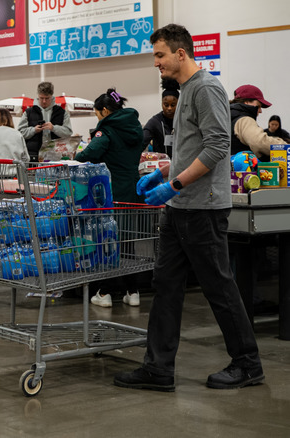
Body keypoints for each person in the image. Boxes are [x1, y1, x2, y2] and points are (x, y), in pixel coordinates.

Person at [114, 23, 263, 392]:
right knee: (165, 284)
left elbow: (216, 148)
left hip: (204, 208)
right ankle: (158, 368)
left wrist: (174, 185)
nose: (156, 63)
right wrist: (163, 172)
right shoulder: (184, 92)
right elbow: (189, 152)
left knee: (218, 287)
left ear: (181, 53)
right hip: (181, 207)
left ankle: (248, 363)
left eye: (160, 55)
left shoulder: (207, 88)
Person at [75, 88, 144, 308]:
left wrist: (75, 156)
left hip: (110, 193)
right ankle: (133, 292)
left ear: (105, 111)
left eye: (97, 114)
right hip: (132, 191)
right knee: (127, 242)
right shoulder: (135, 128)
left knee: (109, 242)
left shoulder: (106, 131)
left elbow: (88, 154)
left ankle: (104, 292)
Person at [17, 82, 73, 160]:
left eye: (47, 98)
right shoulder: (28, 112)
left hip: (56, 156)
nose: (44, 101)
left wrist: (54, 128)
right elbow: (20, 133)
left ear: (52, 96)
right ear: (38, 96)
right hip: (33, 157)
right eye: (41, 98)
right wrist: (33, 130)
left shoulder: (62, 113)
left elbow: (68, 133)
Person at [230, 84, 285, 161]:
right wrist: (284, 146)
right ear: (246, 102)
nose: (260, 111)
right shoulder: (244, 119)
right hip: (245, 171)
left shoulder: (229, 116)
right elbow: (259, 143)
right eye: (258, 106)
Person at [142, 79, 179, 157]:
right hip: (162, 164)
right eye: (166, 105)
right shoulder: (155, 122)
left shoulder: (185, 119)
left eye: (173, 105)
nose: (169, 108)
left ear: (179, 104)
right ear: (162, 103)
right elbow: (142, 142)